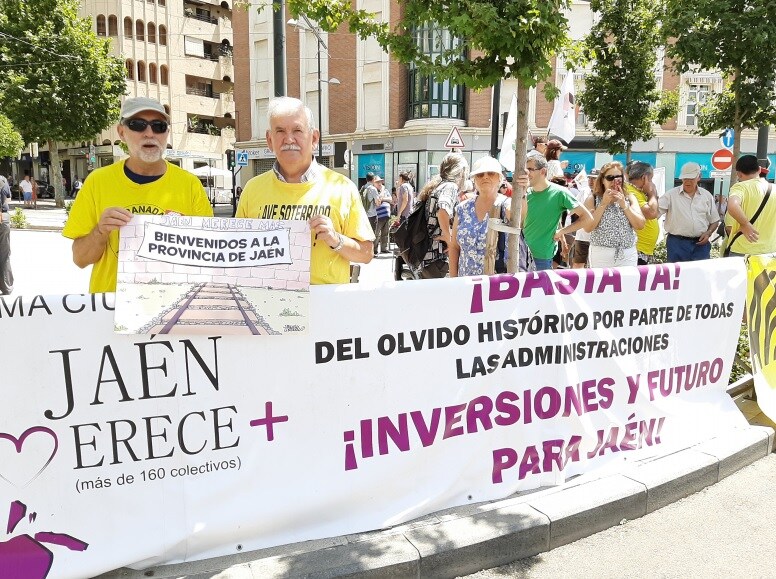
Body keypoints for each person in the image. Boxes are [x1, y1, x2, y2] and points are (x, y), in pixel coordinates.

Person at [63, 96, 214, 293]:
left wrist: (188, 238)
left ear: (167, 133)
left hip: (170, 310)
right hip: (112, 312)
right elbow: (80, 260)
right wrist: (100, 231)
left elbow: (210, 259)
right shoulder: (97, 182)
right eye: (138, 125)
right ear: (121, 132)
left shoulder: (190, 185)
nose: (149, 133)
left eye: (158, 126)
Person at [236, 96, 373, 284]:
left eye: (297, 130)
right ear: (269, 140)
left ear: (314, 138)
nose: (289, 139)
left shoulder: (342, 188)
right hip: (268, 305)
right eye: (280, 131)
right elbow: (235, 254)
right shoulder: (252, 190)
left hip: (325, 307)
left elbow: (366, 254)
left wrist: (336, 239)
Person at [521, 156, 592, 271]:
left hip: (541, 258)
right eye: (524, 170)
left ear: (543, 171)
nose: (526, 173)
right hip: (520, 254)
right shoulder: (524, 193)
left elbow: (587, 218)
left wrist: (562, 232)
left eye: (529, 169)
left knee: (542, 289)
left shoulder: (560, 193)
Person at [449, 156, 511, 277]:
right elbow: (454, 247)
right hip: (466, 285)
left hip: (498, 285)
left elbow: (519, 218)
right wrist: (453, 280)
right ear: (474, 180)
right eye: (480, 174)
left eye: (491, 173)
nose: (485, 177)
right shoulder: (462, 209)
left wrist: (523, 191)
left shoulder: (506, 204)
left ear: (500, 178)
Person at [415, 152, 468, 279]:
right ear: (460, 172)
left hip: (427, 257)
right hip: (437, 257)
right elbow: (443, 209)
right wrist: (448, 237)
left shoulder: (438, 185)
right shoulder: (450, 186)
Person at [584, 161, 645, 268]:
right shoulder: (593, 198)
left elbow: (640, 225)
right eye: (610, 177)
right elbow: (588, 227)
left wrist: (624, 205)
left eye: (618, 177)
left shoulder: (630, 198)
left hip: (627, 253)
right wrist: (603, 204)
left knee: (628, 284)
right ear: (602, 180)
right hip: (601, 254)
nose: (614, 181)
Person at [659, 162, 720, 262]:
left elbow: (715, 220)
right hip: (677, 243)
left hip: (700, 244)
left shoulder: (706, 196)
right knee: (677, 274)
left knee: (700, 275)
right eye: (685, 179)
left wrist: (708, 233)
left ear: (699, 177)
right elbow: (654, 213)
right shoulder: (670, 195)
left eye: (691, 179)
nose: (687, 182)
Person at [724, 154, 776, 257]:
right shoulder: (774, 189)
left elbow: (733, 205)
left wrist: (745, 224)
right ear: (759, 170)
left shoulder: (740, 187)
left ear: (738, 174)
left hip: (742, 250)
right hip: (770, 251)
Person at [624, 161, 659, 265]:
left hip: (642, 249)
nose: (652, 182)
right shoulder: (631, 191)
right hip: (637, 249)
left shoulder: (638, 191)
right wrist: (652, 193)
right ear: (644, 178)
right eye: (651, 179)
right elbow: (651, 213)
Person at [570, 169, 597, 268]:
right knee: (578, 264)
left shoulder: (605, 194)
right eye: (590, 178)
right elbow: (573, 210)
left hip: (597, 239)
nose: (591, 181)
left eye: (594, 178)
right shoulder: (584, 192)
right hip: (582, 236)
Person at [0, 174, 13, 294]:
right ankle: (6, 287)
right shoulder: (3, 180)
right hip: (2, 217)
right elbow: (8, 199)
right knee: (4, 253)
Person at [373, 176, 392, 254]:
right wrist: (383, 194)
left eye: (380, 182)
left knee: (385, 233)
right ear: (374, 183)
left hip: (386, 215)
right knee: (377, 234)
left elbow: (390, 199)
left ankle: (384, 248)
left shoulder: (386, 191)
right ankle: (374, 249)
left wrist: (383, 199)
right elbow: (378, 200)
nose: (380, 183)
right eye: (377, 182)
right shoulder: (374, 191)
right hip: (378, 216)